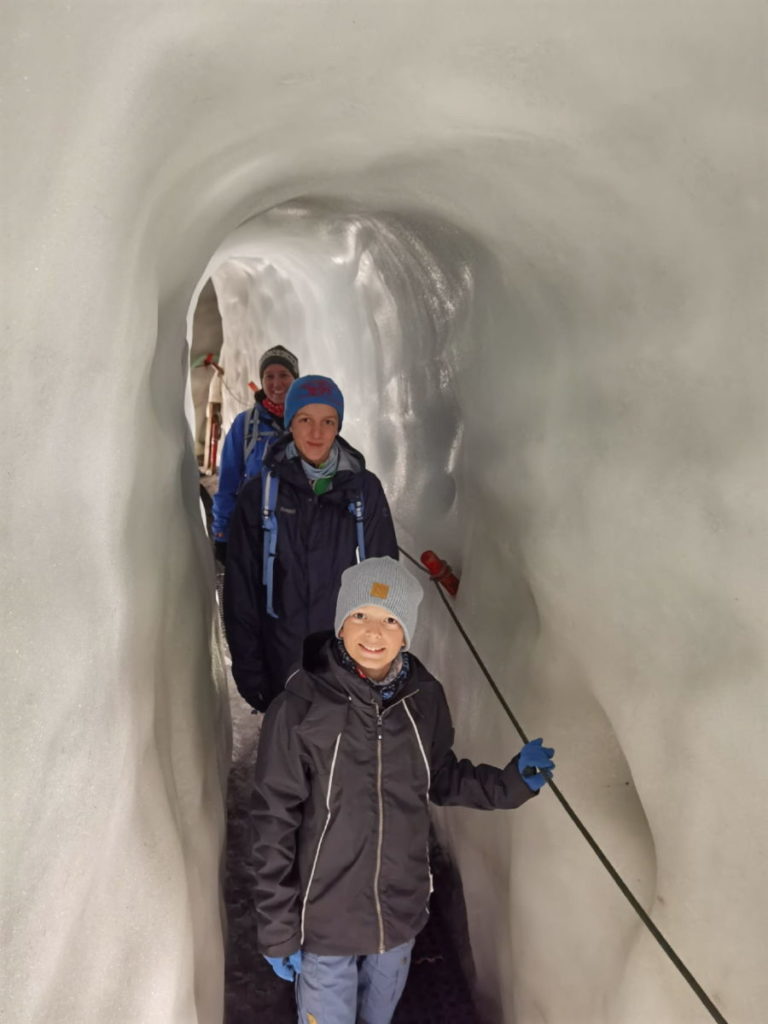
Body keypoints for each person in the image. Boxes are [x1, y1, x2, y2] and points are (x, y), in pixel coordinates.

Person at [251, 556, 556, 1024]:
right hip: (324, 922)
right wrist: (277, 930)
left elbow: (440, 776)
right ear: (340, 623)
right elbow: (274, 821)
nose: (374, 633)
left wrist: (511, 782)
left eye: (390, 620)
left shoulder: (423, 699)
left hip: (398, 916)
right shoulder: (300, 708)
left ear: (407, 632)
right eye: (360, 616)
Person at [223, 375, 399, 712]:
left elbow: (384, 582)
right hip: (279, 662)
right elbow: (241, 592)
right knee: (286, 758)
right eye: (306, 420)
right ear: (291, 423)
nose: (316, 433)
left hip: (346, 665)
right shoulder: (259, 495)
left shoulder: (363, 490)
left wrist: (376, 665)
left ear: (338, 426)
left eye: (327, 421)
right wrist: (249, 671)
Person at [211, 344, 300, 564]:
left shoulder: (307, 422)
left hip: (299, 535)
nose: (276, 383)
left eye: (284, 375)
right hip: (254, 533)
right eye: (269, 376)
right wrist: (222, 533)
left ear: (296, 379)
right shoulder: (245, 425)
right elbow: (227, 483)